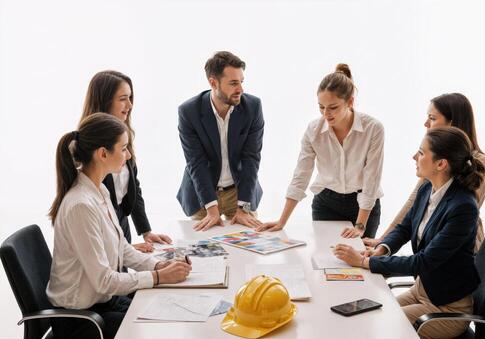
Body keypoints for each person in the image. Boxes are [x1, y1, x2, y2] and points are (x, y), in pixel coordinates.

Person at [47, 113, 191, 339]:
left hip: (103, 304)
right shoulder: (81, 205)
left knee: (167, 308)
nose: (129, 155)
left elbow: (122, 249)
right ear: (102, 153)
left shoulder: (100, 192)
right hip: (81, 319)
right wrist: (157, 277)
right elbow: (104, 281)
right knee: (159, 331)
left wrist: (157, 266)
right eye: (123, 148)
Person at [334, 127, 485, 339]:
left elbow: (423, 261)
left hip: (447, 308)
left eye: (421, 153)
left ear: (441, 164)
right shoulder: (427, 190)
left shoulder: (463, 207)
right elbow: (405, 228)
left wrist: (364, 262)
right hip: (422, 290)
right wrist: (382, 249)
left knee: (380, 326)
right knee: (364, 315)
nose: (414, 157)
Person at [257, 64, 384, 238]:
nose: (326, 114)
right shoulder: (314, 130)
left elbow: (372, 179)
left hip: (364, 206)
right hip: (327, 203)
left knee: (360, 260)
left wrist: (360, 226)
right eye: (321, 107)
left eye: (333, 107)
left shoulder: (373, 128)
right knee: (326, 259)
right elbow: (301, 175)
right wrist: (282, 220)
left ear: (350, 102)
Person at [363, 93, 485, 252]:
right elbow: (414, 201)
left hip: (459, 248)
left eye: (432, 118)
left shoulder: (479, 162)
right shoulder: (432, 157)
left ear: (451, 123)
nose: (426, 124)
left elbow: (463, 209)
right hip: (430, 244)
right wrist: (384, 240)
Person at [80, 70, 172, 252]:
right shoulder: (86, 143)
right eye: (123, 98)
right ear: (104, 100)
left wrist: (146, 230)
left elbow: (133, 186)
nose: (130, 105)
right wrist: (123, 248)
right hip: (102, 230)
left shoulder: (123, 133)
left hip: (121, 222)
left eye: (130, 98)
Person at [177, 51, 264, 231]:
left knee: (246, 250)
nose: (240, 89)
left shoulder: (253, 107)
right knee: (201, 251)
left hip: (240, 192)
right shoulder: (189, 112)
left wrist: (243, 208)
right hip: (203, 195)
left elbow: (251, 158)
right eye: (233, 83)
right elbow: (196, 162)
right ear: (213, 83)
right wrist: (211, 207)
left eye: (241, 81)